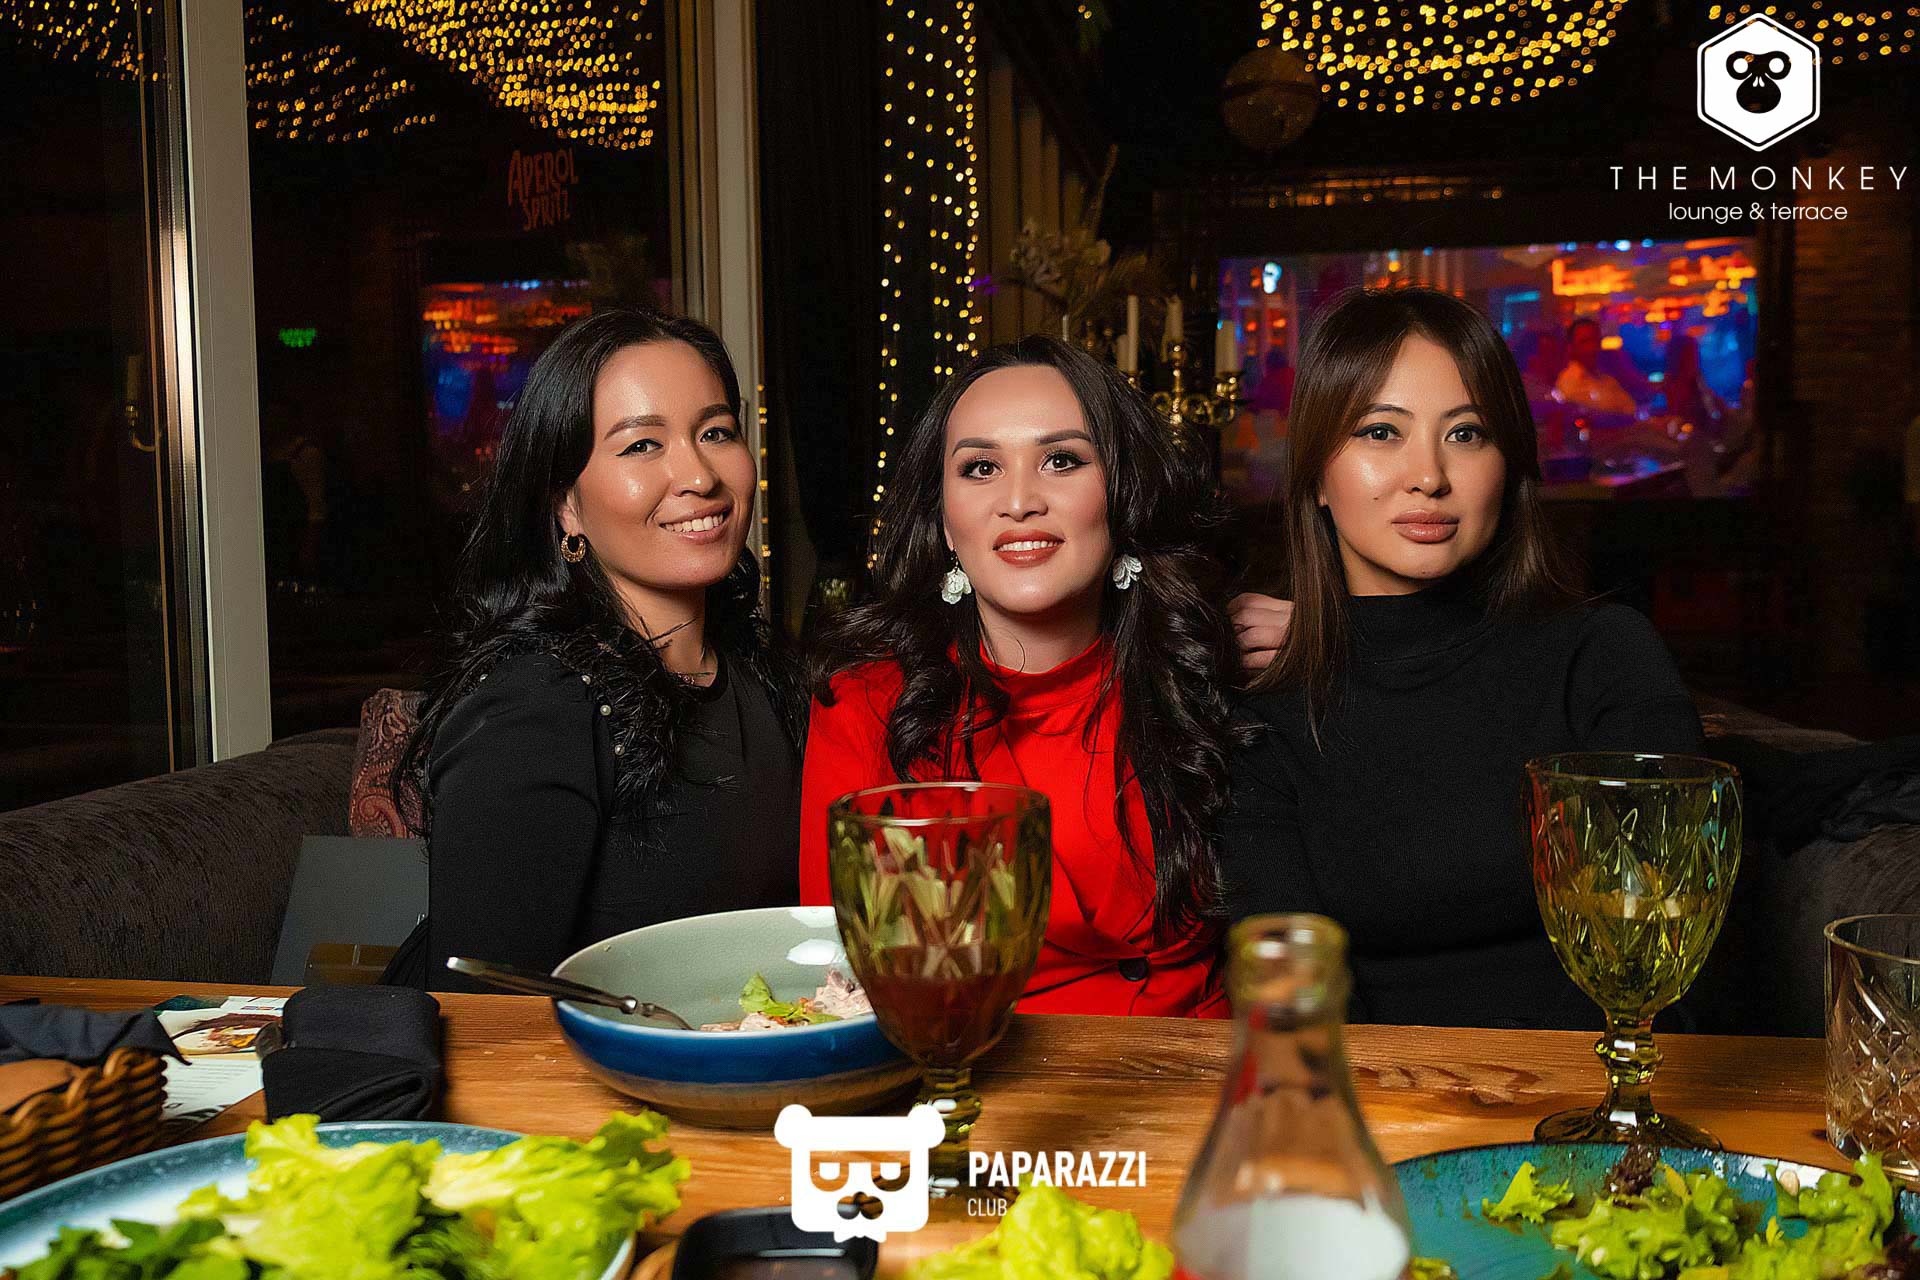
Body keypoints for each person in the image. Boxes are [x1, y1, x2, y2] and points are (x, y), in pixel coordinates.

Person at [1222, 287, 1702, 1029]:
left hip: (1596, 1080)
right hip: (1361, 1086)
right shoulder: (1267, 699)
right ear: (1316, 474)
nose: (1429, 476)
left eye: (1467, 433)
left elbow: (1663, 948)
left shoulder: (1602, 657)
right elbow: (1291, 997)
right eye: (1381, 432)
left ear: (1509, 464)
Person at [800, 336, 1244, 1017]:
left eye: (1061, 460)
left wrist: (1317, 640)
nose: (1018, 501)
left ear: (1122, 493)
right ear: (945, 519)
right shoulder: (866, 706)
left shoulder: (1203, 667)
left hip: (1206, 1071)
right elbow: (843, 982)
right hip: (976, 1072)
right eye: (981, 468)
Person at [393, 309, 803, 989]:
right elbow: (482, 1010)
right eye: (642, 445)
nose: (699, 475)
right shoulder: (533, 710)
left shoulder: (764, 677)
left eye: (716, 432)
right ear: (566, 507)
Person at [1554, 317, 1639, 417]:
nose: (1592, 347)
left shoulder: (1607, 380)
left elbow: (1632, 410)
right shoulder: (1569, 383)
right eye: (1585, 342)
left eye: (1596, 341)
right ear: (1571, 347)